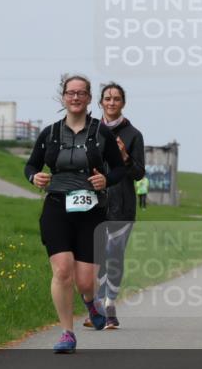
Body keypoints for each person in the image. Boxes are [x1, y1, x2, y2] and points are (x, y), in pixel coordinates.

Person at [24, 75, 128, 353]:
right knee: (62, 272)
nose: (76, 98)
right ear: (63, 98)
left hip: (91, 211)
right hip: (57, 206)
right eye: (71, 93)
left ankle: (91, 302)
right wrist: (35, 177)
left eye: (81, 93)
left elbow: (119, 169)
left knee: (84, 281)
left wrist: (106, 180)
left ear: (89, 98)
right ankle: (67, 333)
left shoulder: (101, 133)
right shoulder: (50, 133)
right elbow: (31, 165)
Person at [82, 83, 145, 330]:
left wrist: (126, 157)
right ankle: (97, 307)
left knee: (114, 257)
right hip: (95, 204)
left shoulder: (133, 135)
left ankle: (109, 306)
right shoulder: (90, 132)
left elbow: (139, 173)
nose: (111, 102)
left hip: (123, 204)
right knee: (97, 258)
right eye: (107, 98)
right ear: (100, 102)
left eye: (116, 99)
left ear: (123, 103)